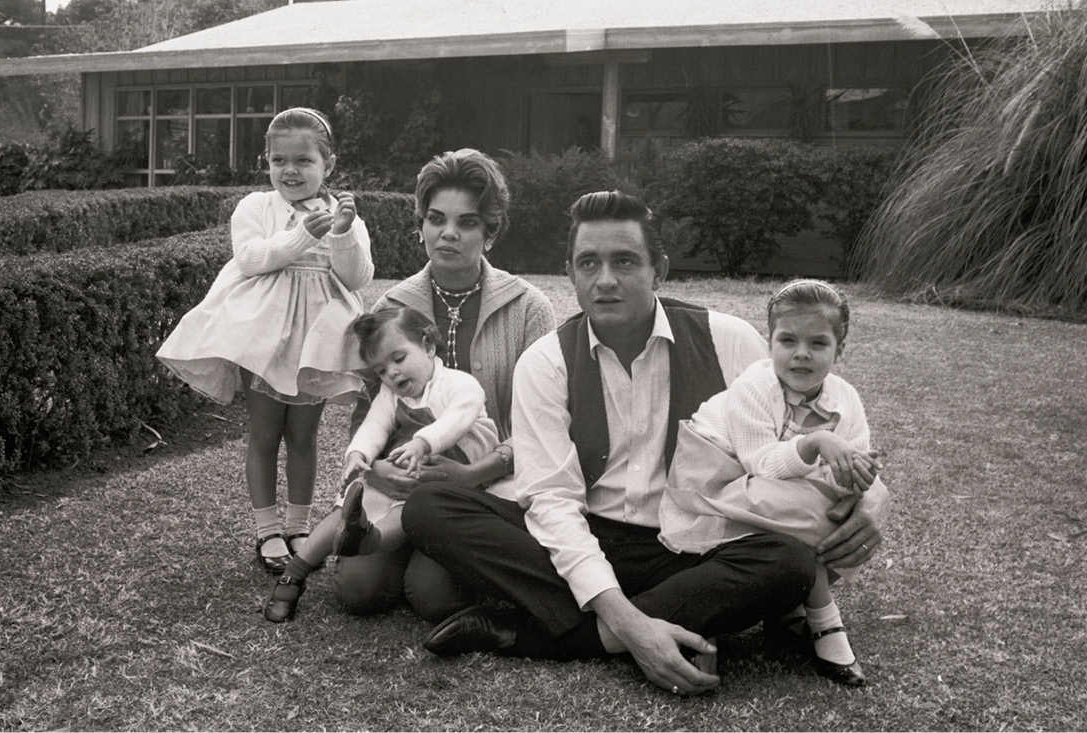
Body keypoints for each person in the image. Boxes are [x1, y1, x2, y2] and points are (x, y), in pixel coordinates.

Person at [402, 190, 887, 695]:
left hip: (695, 546)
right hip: (587, 533)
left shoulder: (729, 340)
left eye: (625, 261)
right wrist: (634, 628)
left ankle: (535, 634)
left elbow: (808, 434)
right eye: (589, 262)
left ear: (660, 270)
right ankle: (659, 618)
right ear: (570, 272)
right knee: (430, 505)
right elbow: (553, 502)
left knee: (788, 562)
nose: (605, 280)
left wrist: (874, 495)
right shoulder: (547, 362)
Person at [332, 148, 556, 621]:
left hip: (489, 480)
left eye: (467, 222)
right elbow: (367, 413)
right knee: (358, 590)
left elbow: (548, 422)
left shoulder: (529, 308)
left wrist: (476, 474)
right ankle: (404, 539)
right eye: (436, 219)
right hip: (403, 480)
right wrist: (376, 472)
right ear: (422, 224)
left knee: (432, 595)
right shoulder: (394, 304)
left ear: (490, 233)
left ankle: (435, 551)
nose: (448, 233)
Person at [156, 107, 372, 574]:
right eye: (280, 161)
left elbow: (356, 278)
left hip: (316, 340)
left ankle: (298, 526)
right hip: (268, 336)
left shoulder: (344, 215)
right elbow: (251, 258)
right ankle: (266, 530)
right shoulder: (256, 207)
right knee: (264, 432)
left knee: (303, 435)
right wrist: (296, 239)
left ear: (328, 165)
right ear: (267, 161)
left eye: (304, 161)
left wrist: (341, 234)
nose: (290, 171)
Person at [658, 278, 890, 687]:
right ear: (770, 343)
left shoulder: (845, 397)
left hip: (771, 491)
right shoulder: (755, 385)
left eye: (818, 344)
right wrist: (817, 440)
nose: (800, 354)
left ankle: (790, 604)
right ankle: (823, 617)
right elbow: (760, 463)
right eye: (787, 340)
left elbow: (852, 462)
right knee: (808, 509)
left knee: (845, 512)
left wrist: (860, 473)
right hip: (712, 481)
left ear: (840, 349)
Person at [263, 307, 499, 623]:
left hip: (446, 486)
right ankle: (294, 575)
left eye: (398, 359)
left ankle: (371, 539)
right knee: (350, 508)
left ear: (429, 346)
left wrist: (422, 443)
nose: (392, 374)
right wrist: (358, 454)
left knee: (408, 512)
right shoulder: (389, 395)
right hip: (402, 476)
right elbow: (375, 425)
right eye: (381, 371)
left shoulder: (460, 384)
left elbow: (458, 419)